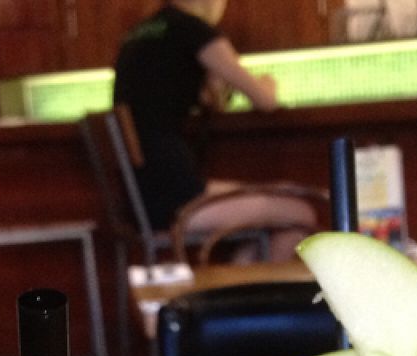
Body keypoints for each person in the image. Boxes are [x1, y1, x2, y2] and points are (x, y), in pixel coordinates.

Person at [114, 0, 319, 262]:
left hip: (144, 194)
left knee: (282, 194)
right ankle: (244, 288)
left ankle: (237, 286)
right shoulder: (195, 31)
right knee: (300, 214)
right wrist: (268, 82)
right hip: (177, 201)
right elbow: (265, 100)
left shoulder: (139, 33)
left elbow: (207, 96)